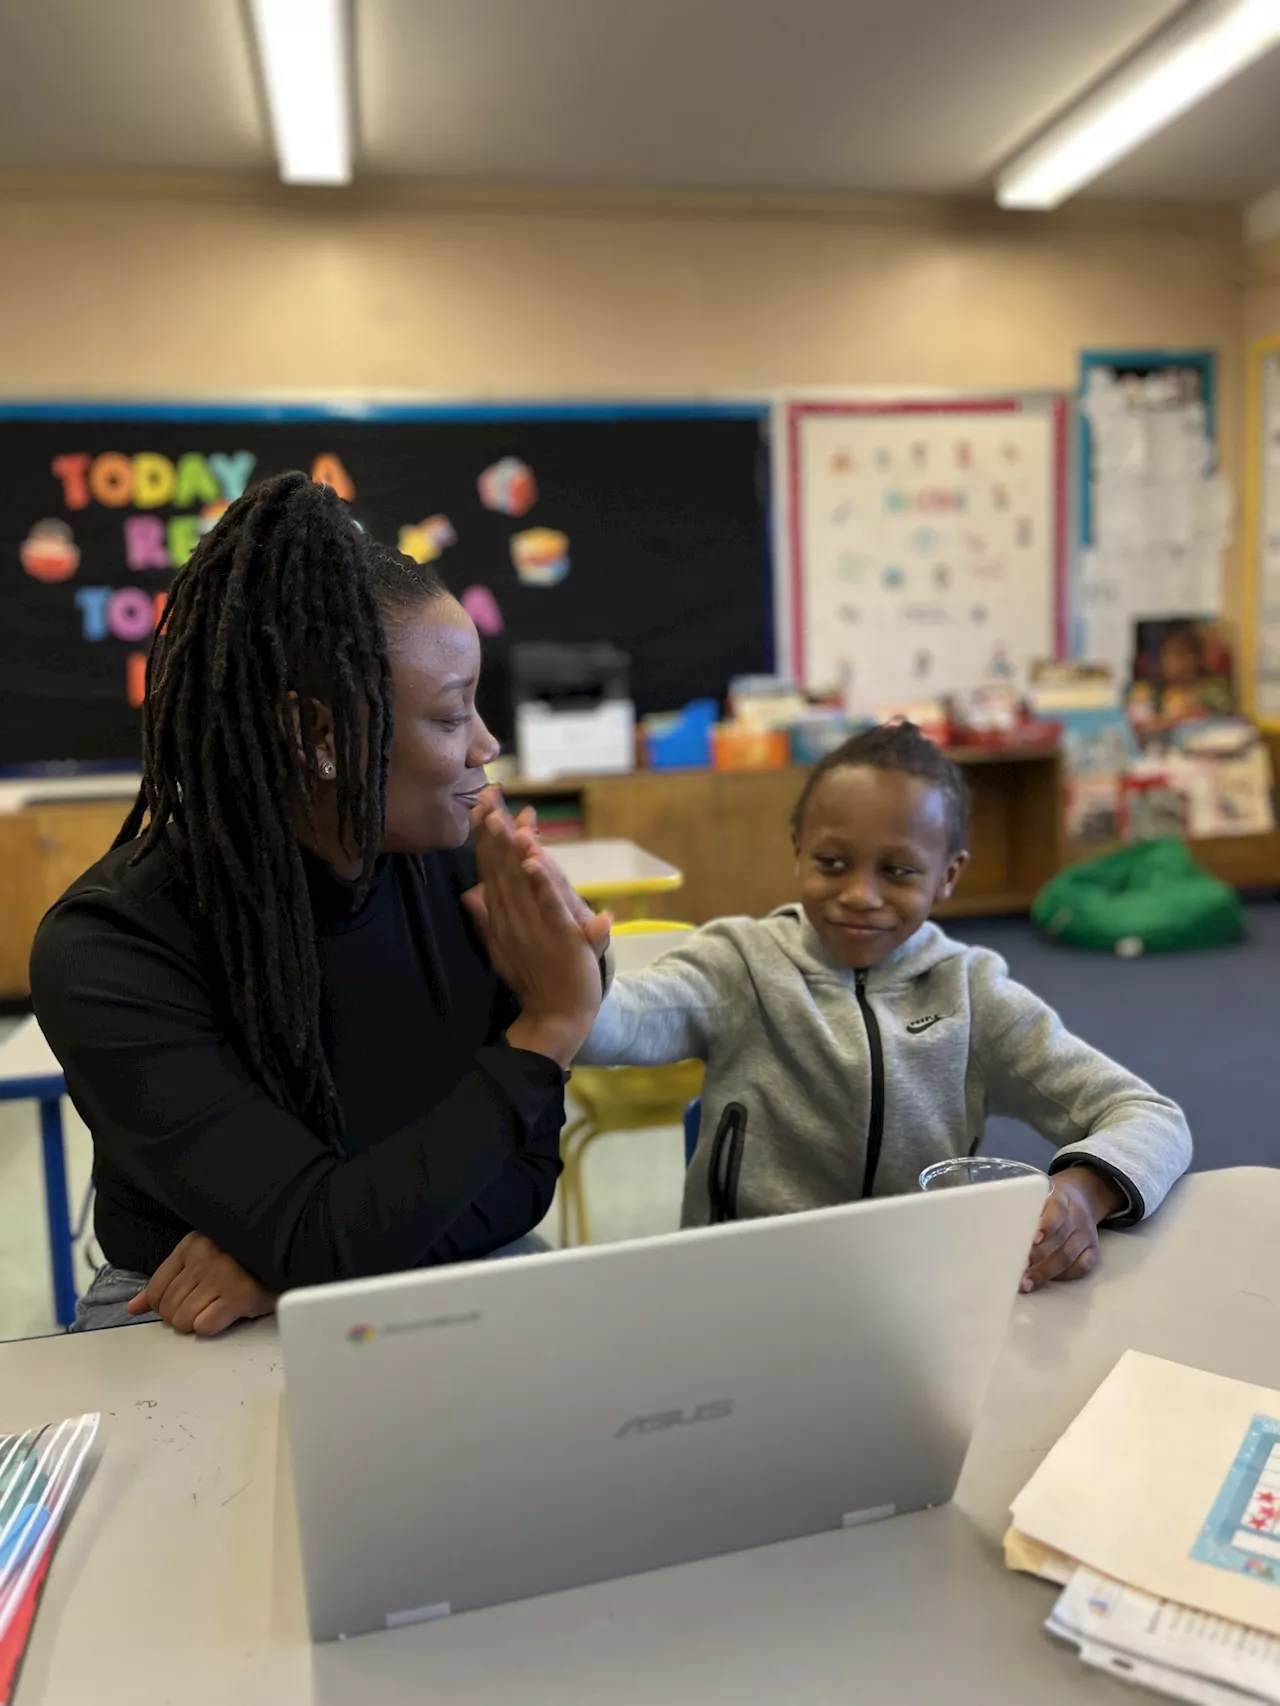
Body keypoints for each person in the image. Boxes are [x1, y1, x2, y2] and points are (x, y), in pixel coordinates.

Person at [31, 472, 606, 1335]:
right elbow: (315, 1230)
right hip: (186, 1303)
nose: (487, 744)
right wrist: (548, 1029)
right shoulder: (111, 945)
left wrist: (310, 1261)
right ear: (320, 737)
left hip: (345, 1265)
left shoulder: (465, 874)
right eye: (452, 717)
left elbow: (522, 1183)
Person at [561, 722, 1192, 1290]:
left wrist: (1085, 1190)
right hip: (743, 1290)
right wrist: (570, 968)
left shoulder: (972, 992)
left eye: (898, 871)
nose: (861, 895)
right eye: (833, 863)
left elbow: (1149, 1115)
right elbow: (614, 1025)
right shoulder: (740, 962)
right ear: (798, 847)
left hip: (913, 1292)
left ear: (948, 874)